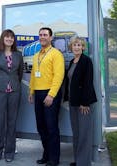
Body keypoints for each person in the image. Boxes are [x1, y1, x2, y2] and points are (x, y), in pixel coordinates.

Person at [28, 27, 65, 166]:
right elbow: (33, 75)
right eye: (40, 34)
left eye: (45, 35)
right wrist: (31, 91)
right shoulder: (37, 55)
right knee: (41, 127)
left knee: (51, 127)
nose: (42, 37)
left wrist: (51, 95)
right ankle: (47, 154)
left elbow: (59, 76)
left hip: (50, 94)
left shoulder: (56, 54)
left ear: (50, 38)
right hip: (38, 93)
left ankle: (54, 159)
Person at [0, 29, 23, 162]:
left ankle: (9, 152)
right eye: (7, 37)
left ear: (14, 40)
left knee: (12, 122)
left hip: (15, 91)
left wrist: (14, 84)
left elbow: (19, 73)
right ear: (3, 39)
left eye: (11, 37)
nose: (9, 39)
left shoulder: (18, 55)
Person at [64, 36, 97, 166]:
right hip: (73, 102)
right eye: (74, 45)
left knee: (84, 134)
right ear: (71, 47)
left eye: (79, 45)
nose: (76, 47)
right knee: (76, 133)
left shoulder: (86, 61)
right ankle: (78, 160)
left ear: (83, 47)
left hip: (83, 104)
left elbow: (88, 83)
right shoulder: (72, 61)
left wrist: (85, 103)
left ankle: (84, 163)